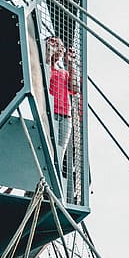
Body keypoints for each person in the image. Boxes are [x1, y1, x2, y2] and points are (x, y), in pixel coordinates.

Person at [45, 36, 78, 173]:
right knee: (48, 150)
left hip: (65, 116)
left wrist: (70, 64)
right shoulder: (46, 68)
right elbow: (45, 69)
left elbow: (74, 88)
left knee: (59, 153)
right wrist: (49, 49)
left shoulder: (63, 72)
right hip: (50, 113)